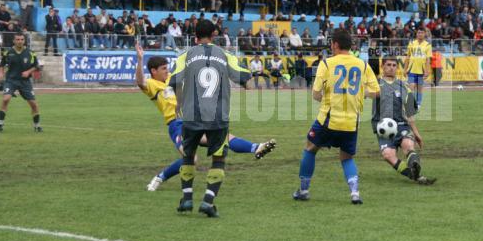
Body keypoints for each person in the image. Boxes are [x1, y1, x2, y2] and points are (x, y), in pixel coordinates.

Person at [135, 44, 276, 192]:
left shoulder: (173, 77)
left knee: (222, 138)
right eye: (163, 68)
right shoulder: (152, 84)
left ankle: (256, 147)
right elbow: (140, 82)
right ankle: (160, 178)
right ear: (153, 71)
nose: (167, 70)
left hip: (196, 118)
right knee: (192, 159)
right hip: (177, 125)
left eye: (167, 67)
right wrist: (140, 59)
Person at [168, 20, 252, 217]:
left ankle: (187, 199)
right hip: (218, 116)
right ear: (214, 35)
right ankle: (207, 201)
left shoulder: (185, 55)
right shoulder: (225, 55)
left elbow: (175, 82)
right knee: (218, 158)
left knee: (188, 155)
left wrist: (180, 104)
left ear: (195, 37)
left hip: (191, 115)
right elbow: (245, 79)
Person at [293, 29, 380, 204]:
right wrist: (361, 95)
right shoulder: (362, 65)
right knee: (346, 157)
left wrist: (327, 96)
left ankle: (303, 190)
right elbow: (376, 92)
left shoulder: (326, 64)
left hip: (328, 119)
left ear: (335, 45)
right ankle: (355, 193)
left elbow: (316, 94)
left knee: (310, 147)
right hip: (351, 122)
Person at [372, 57, 436, 184]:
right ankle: (413, 174)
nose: (391, 67)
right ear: (382, 66)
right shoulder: (375, 85)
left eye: (394, 65)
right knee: (388, 155)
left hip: (401, 125)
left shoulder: (403, 86)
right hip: (383, 128)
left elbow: (410, 112)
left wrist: (416, 133)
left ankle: (415, 165)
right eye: (388, 65)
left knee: (408, 145)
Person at [0, 33, 42, 132]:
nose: (20, 41)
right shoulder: (8, 52)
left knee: (33, 104)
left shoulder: (30, 52)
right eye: (17, 39)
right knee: (6, 99)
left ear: (24, 41)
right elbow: (2, 64)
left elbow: (36, 66)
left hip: (25, 82)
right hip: (11, 80)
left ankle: (37, 126)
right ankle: (0, 124)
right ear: (14, 41)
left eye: (21, 39)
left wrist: (28, 72)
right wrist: (0, 74)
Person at [403, 28, 431, 106]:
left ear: (425, 34)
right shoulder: (411, 43)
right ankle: (411, 103)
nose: (420, 34)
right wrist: (405, 69)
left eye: (422, 33)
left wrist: (427, 71)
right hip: (412, 69)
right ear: (416, 34)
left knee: (419, 88)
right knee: (411, 86)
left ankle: (418, 104)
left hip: (422, 70)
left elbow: (428, 59)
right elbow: (407, 57)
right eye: (418, 32)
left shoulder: (428, 45)